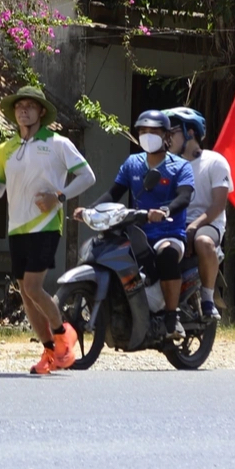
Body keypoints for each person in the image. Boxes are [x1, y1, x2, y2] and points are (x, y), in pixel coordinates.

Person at [0, 82, 94, 376]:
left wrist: (59, 196)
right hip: (16, 228)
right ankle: (49, 351)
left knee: (32, 287)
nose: (23, 110)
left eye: (29, 106)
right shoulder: (7, 148)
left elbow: (87, 176)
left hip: (45, 225)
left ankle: (63, 334)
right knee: (26, 294)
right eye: (19, 106)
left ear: (41, 111)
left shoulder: (57, 143)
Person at [80, 109, 194, 331]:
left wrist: (166, 211)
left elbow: (184, 196)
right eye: (143, 131)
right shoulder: (133, 163)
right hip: (136, 232)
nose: (147, 135)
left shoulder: (180, 166)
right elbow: (114, 193)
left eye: (154, 131)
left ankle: (172, 315)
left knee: (167, 255)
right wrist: (89, 210)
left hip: (167, 233)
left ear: (166, 136)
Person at [166, 107, 230, 321]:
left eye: (172, 132)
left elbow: (218, 205)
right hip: (178, 223)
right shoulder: (169, 166)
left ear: (190, 132)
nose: (167, 138)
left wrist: (193, 227)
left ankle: (208, 300)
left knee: (203, 242)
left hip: (207, 224)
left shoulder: (215, 162)